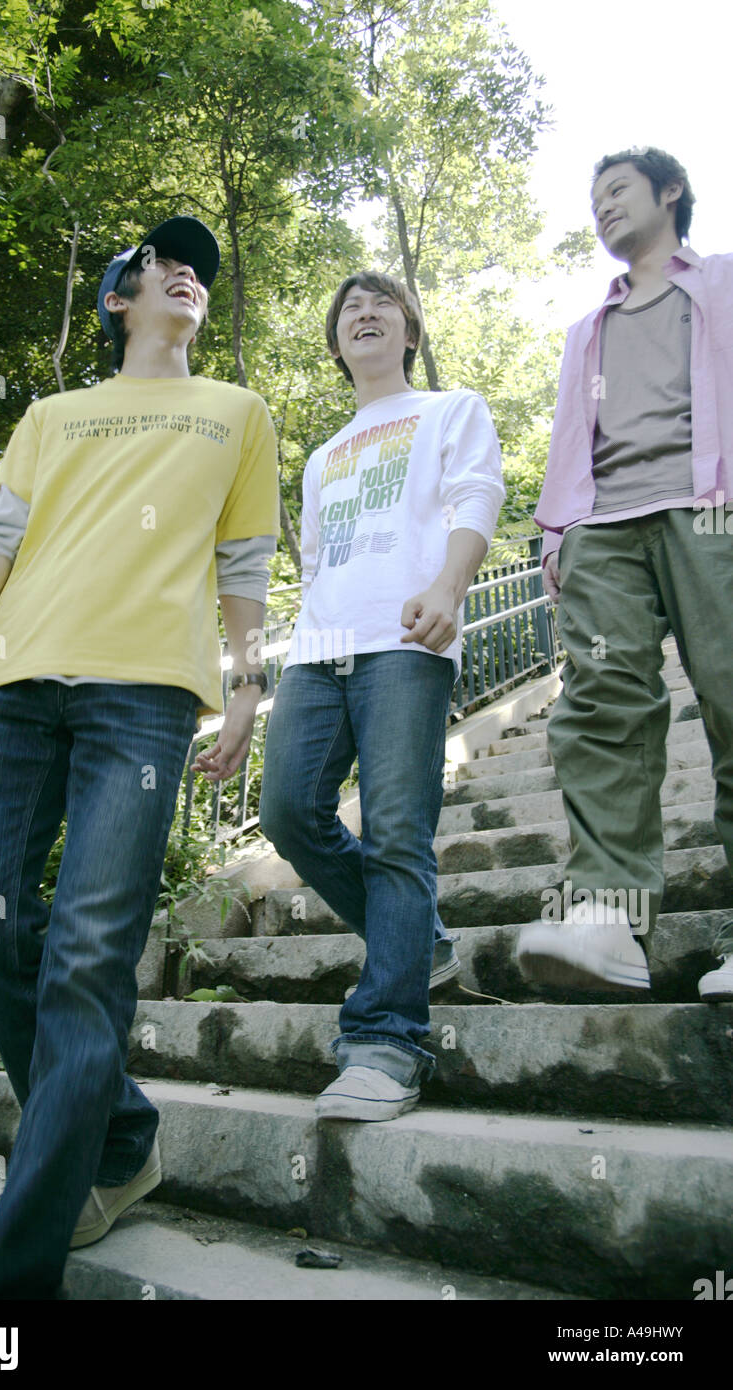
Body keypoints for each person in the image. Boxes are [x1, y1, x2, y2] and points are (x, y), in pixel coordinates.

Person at [0, 216, 280, 1298]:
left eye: (198, 270)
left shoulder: (236, 414)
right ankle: (117, 1136)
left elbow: (243, 562)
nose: (184, 275)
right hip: (19, 691)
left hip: (142, 700)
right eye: (162, 264)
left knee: (84, 961)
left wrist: (247, 688)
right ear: (119, 298)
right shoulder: (52, 415)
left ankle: (7, 1283)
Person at [258, 271, 505, 1121]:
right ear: (336, 345)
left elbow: (478, 495)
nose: (364, 315)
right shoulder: (325, 456)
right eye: (349, 311)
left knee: (399, 831)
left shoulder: (451, 410)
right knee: (290, 813)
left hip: (407, 641)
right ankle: (419, 939)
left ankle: (387, 1039)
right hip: (319, 651)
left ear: (408, 332)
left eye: (383, 306)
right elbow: (320, 561)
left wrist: (450, 588)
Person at [516, 148, 733, 1001]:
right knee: (602, 704)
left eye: (617, 190)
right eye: (593, 198)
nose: (602, 207)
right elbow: (573, 436)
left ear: (669, 192)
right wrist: (556, 534)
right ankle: (607, 919)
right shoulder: (588, 330)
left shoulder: (718, 284)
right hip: (603, 525)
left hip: (713, 507)